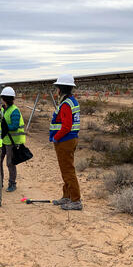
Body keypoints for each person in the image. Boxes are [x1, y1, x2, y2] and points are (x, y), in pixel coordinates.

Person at [49, 74, 82, 211]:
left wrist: (56, 136)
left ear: (61, 89)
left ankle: (75, 200)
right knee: (66, 169)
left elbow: (66, 126)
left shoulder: (66, 104)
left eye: (57, 88)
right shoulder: (71, 101)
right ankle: (67, 196)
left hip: (65, 140)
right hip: (68, 139)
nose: (56, 91)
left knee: (68, 170)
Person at [0, 86, 25, 192]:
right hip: (3, 140)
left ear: (4, 98)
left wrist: (3, 128)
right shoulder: (2, 109)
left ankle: (12, 183)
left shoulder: (14, 111)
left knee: (10, 163)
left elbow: (14, 126)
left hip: (12, 142)